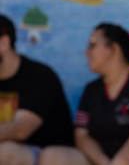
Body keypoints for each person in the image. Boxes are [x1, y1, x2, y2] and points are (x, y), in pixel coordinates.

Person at [0, 14, 74, 165]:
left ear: (4, 43)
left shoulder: (39, 76)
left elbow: (20, 129)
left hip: (51, 153)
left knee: (5, 152)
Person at [71, 23, 129, 165]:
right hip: (100, 161)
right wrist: (105, 162)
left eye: (92, 44)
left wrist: (119, 162)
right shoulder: (91, 90)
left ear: (113, 48)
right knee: (55, 155)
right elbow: (81, 136)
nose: (86, 52)